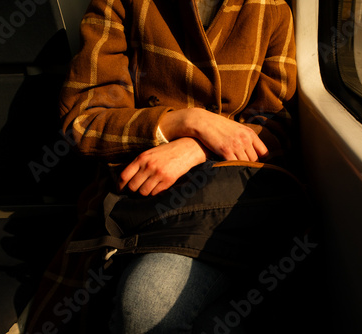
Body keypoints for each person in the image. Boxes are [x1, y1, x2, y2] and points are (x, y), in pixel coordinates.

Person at [58, 0, 297, 332]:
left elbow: (276, 127)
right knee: (146, 305)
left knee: (157, 307)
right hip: (144, 203)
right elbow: (84, 124)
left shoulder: (270, 9)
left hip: (231, 202)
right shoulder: (123, 3)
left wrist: (197, 145)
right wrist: (181, 122)